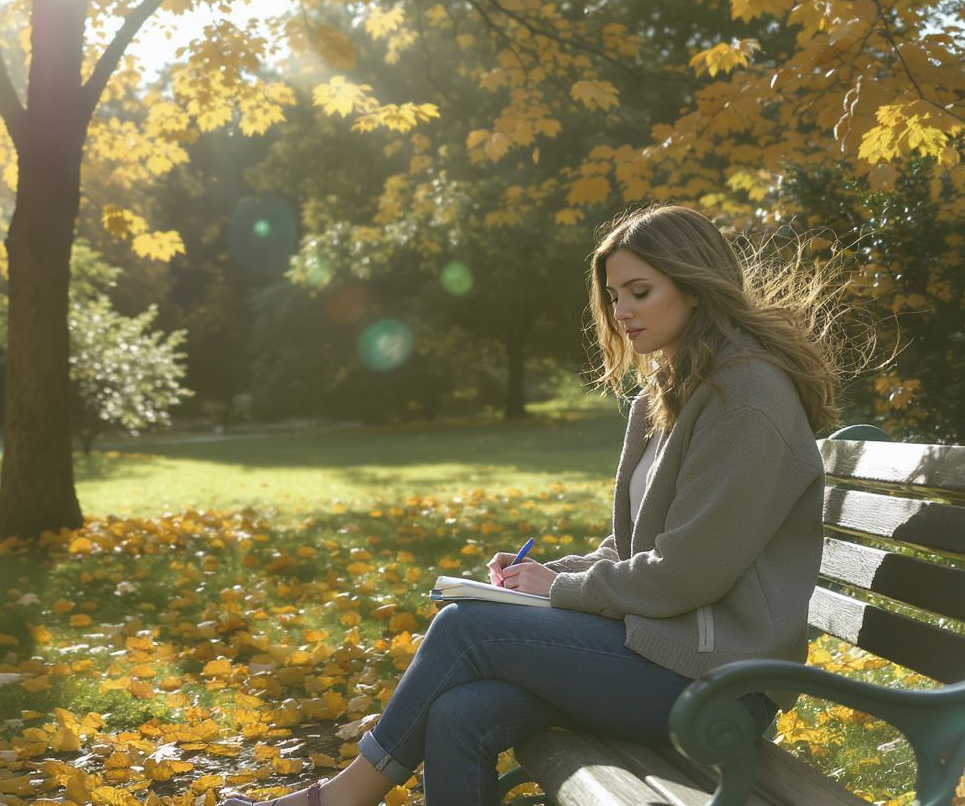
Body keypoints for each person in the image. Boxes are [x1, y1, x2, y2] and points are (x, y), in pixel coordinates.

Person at [224, 204, 846, 806]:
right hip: (663, 653)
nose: (621, 311)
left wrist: (559, 592)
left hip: (718, 685)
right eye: (613, 295)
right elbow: (632, 550)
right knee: (459, 712)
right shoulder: (668, 392)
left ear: (695, 288)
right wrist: (547, 578)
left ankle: (338, 800)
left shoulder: (746, 397)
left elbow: (689, 571)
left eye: (639, 291)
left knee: (464, 629)